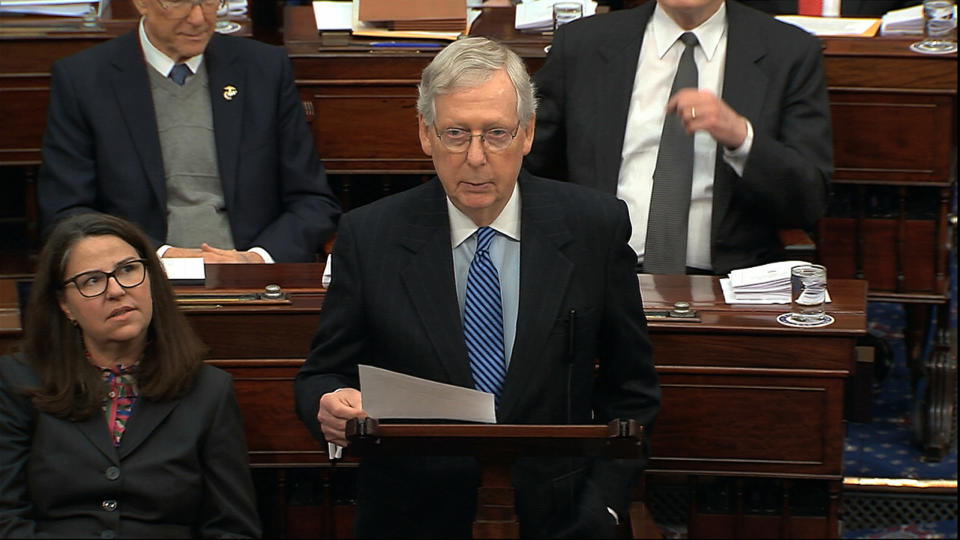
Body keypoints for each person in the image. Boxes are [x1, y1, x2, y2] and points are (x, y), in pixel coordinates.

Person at [294, 37, 660, 538]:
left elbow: (633, 392)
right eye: (455, 134)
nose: (476, 157)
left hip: (562, 517)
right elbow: (322, 374)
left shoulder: (593, 227)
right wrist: (330, 405)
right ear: (425, 134)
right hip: (412, 518)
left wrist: (603, 511)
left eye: (496, 134)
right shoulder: (369, 236)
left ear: (528, 133)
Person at [0, 213, 261, 538]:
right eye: (92, 280)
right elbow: (6, 519)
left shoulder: (208, 391)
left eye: (128, 270)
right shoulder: (17, 381)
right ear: (64, 305)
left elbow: (232, 528)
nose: (116, 290)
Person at [526, 0, 833, 275]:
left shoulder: (788, 51)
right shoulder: (584, 44)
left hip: (727, 284)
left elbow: (808, 200)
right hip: (596, 275)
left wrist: (741, 138)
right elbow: (527, 161)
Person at [38, 0, 341, 263]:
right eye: (179, 2)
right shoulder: (83, 80)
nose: (198, 18)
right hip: (137, 276)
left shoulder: (264, 69)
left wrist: (256, 258)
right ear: (141, 3)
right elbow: (67, 213)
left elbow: (313, 201)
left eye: (210, 2)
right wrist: (159, 256)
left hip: (251, 277)